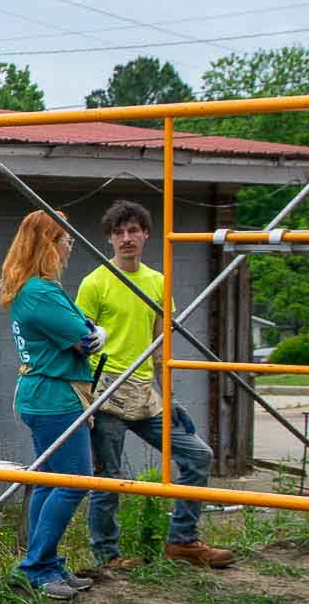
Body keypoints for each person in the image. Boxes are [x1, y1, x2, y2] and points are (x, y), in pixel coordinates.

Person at [73, 200, 235, 572]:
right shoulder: (95, 282)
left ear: (146, 234)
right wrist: (83, 401)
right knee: (108, 479)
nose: (126, 238)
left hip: (145, 393)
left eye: (133, 230)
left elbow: (161, 348)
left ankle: (182, 540)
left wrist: (168, 397)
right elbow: (79, 346)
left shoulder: (158, 283)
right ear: (110, 239)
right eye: (119, 232)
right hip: (106, 394)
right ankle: (107, 556)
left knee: (197, 455)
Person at [0, 210, 101, 602]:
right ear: (48, 244)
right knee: (76, 479)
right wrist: (94, 332)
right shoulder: (41, 292)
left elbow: (84, 329)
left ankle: (45, 561)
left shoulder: (36, 288)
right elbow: (84, 338)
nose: (71, 243)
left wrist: (90, 329)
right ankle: (36, 567)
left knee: (50, 479)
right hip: (55, 397)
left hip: (48, 394)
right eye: (64, 237)